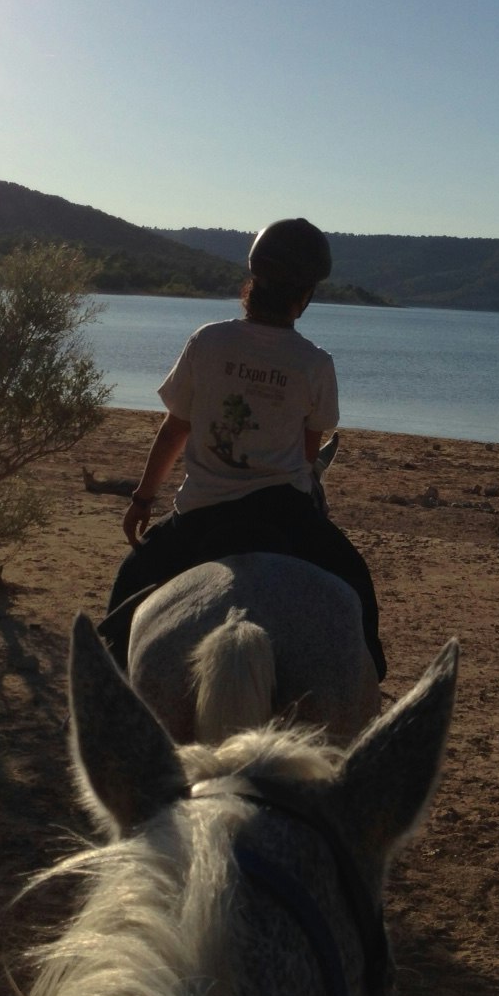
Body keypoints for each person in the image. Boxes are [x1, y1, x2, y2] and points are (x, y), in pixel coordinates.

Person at [103, 217, 386, 680]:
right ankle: (370, 683)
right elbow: (306, 451)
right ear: (305, 297)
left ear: (252, 283)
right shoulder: (315, 363)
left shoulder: (207, 341)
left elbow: (176, 430)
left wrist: (142, 498)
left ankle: (107, 691)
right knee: (357, 587)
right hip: (287, 517)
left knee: (128, 588)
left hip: (202, 515)